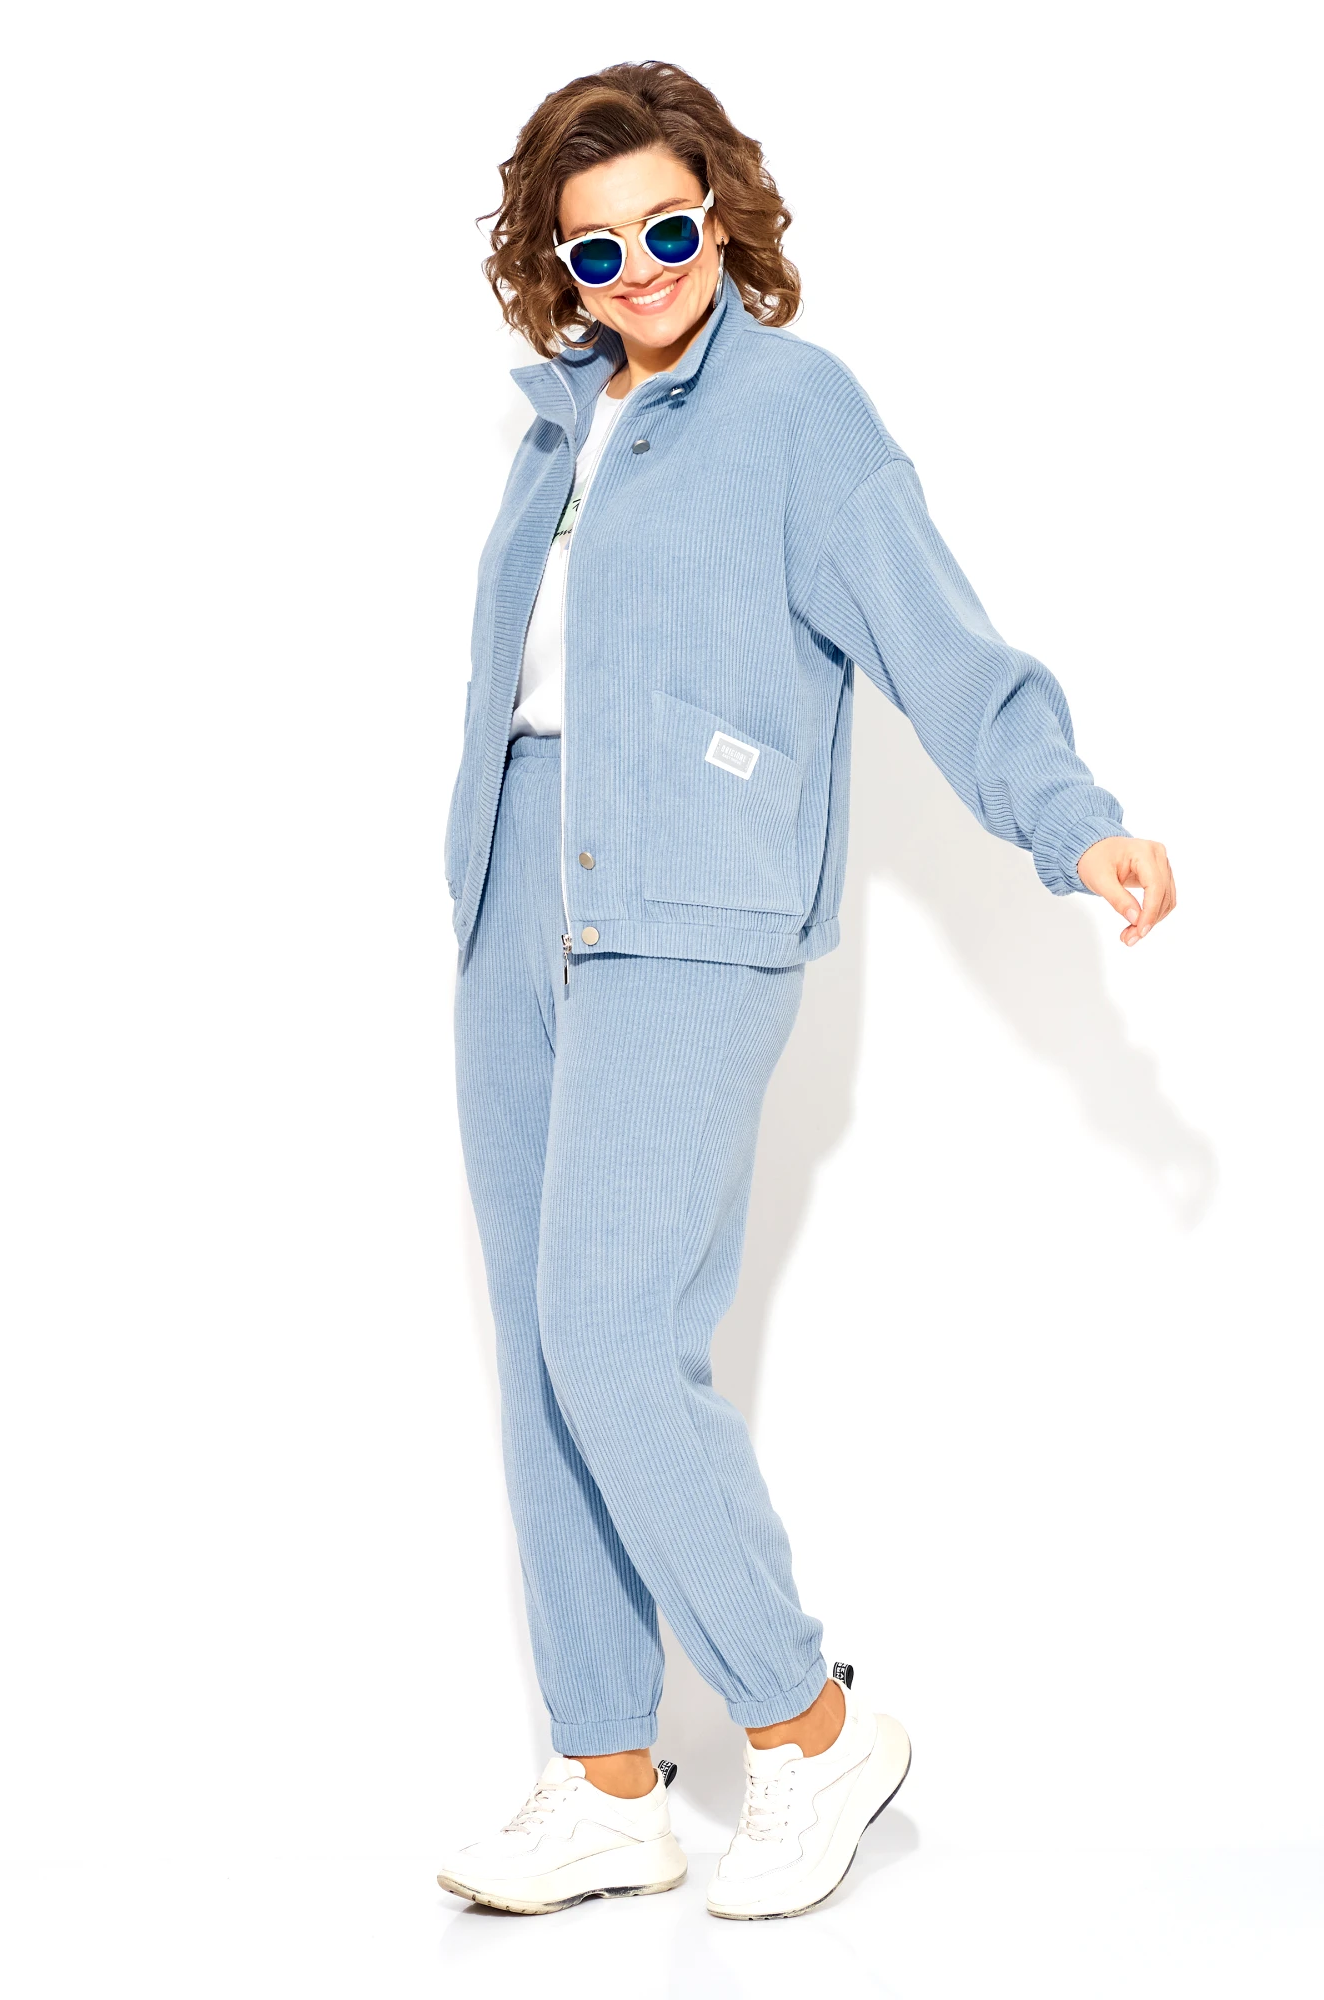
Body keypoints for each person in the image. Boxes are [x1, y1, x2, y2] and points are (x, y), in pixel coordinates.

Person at [438, 61, 1175, 1922]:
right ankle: (607, 1780)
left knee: (612, 1330)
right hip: (517, 898)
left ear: (724, 214)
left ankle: (809, 1724)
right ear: (553, 262)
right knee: (544, 1349)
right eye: (596, 247)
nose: (641, 268)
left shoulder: (794, 408)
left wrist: (1072, 821)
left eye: (670, 227)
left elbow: (939, 639)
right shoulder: (558, 428)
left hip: (689, 903)